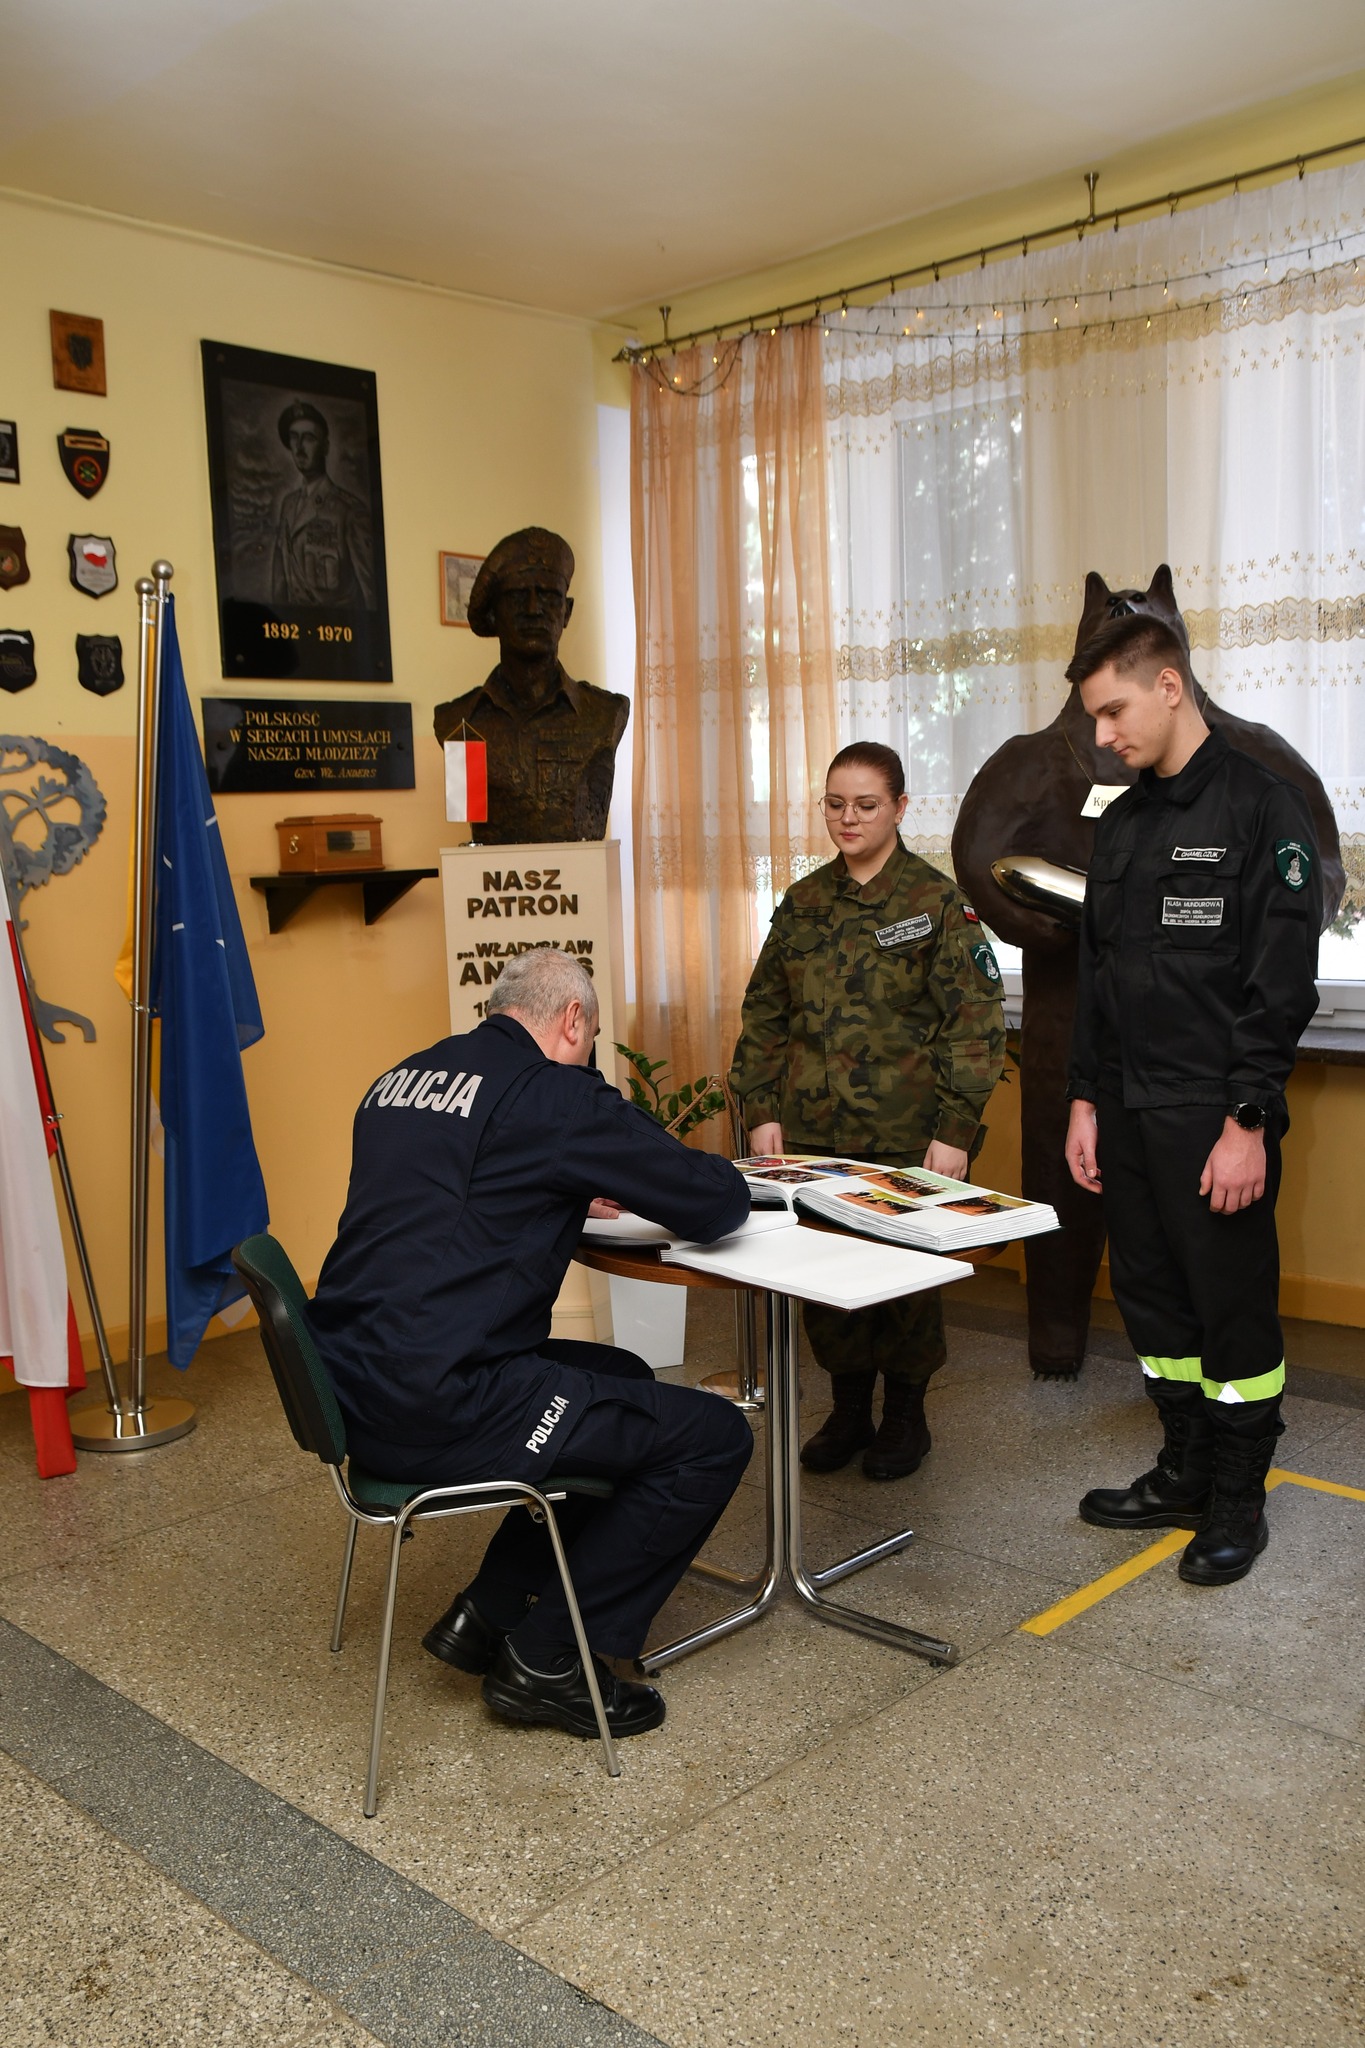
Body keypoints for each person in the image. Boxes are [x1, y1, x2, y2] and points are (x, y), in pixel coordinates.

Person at [308, 949, 753, 1739]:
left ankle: (488, 1611)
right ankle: (548, 1662)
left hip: (355, 1388)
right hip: (443, 1404)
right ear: (573, 1020)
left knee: (619, 1373)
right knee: (713, 1437)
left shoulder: (401, 1079)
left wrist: (573, 1176)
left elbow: (464, 1195)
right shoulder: (552, 1094)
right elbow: (712, 1202)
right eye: (590, 1039)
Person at [1064, 612, 1322, 1585]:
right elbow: (1096, 977)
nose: (1103, 735)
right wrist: (1084, 1101)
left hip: (1213, 1114)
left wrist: (1247, 1120)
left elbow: (1279, 982)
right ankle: (1183, 1469)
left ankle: (1237, 1498)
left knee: (1230, 1309)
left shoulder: (1262, 807)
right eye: (1094, 717)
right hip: (1126, 1111)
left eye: (1113, 711)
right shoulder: (1123, 823)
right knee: (1152, 1301)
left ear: (1168, 685)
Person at [729, 742, 1006, 1481]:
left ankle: (906, 1416)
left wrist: (955, 1133)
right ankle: (848, 1409)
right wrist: (762, 1110)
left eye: (865, 804)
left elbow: (975, 1022)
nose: (847, 818)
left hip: (907, 1137)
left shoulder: (935, 903)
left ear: (900, 808)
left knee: (906, 1280)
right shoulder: (803, 903)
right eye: (834, 804)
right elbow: (764, 1014)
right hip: (812, 1136)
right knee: (825, 1276)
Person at [432, 527, 629, 842]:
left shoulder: (607, 713)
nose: (533, 609)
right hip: (493, 874)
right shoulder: (457, 721)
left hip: (582, 872)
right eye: (517, 595)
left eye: (549, 596)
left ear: (567, 612)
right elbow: (465, 812)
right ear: (494, 615)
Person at [271, 400, 375, 609]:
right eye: (294, 437)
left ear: (325, 447)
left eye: (309, 438)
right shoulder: (288, 506)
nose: (299, 448)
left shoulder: (349, 511)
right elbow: (280, 584)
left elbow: (370, 593)